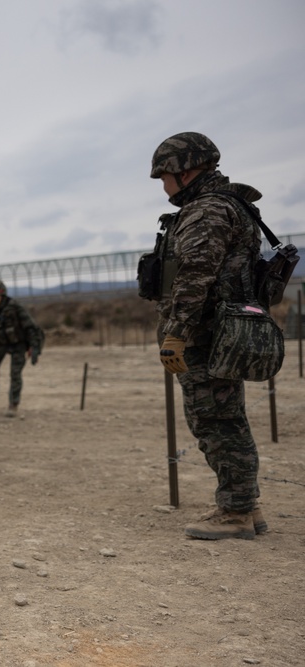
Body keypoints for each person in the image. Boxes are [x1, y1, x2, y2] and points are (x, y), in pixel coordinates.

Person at [149, 131, 268, 540]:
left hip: (206, 335)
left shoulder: (208, 211)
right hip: (222, 332)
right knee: (225, 419)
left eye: (165, 176)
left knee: (214, 421)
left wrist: (176, 334)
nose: (163, 186)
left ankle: (235, 511)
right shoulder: (228, 204)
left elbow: (194, 277)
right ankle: (244, 506)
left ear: (187, 170)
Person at [0, 279, 43, 417]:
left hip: (18, 344)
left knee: (15, 374)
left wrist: (34, 346)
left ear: (1, 294)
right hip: (0, 343)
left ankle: (13, 405)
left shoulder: (15, 307)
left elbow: (31, 327)